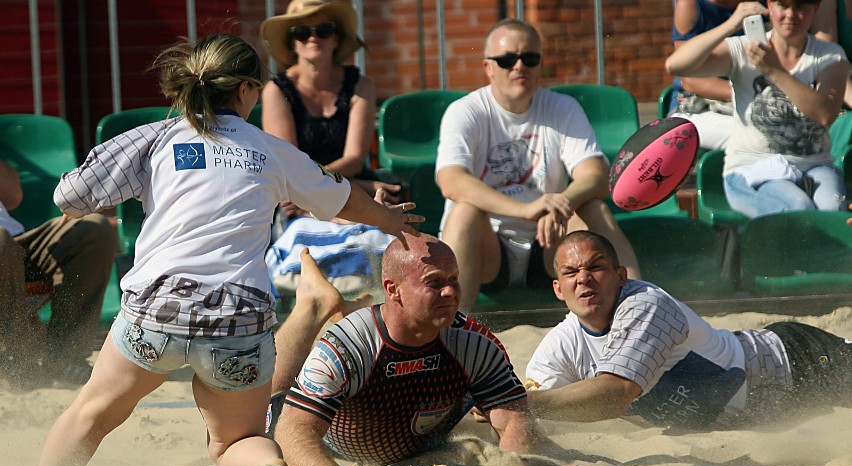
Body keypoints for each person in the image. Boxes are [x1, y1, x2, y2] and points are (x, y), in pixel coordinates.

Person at [33, 33, 422, 466]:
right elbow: (343, 201)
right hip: (237, 322)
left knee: (90, 415)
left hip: (157, 311)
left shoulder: (156, 139)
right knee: (235, 443)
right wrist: (388, 220)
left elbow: (70, 197)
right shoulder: (272, 151)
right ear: (244, 89)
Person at [268, 234, 539, 466]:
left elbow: (515, 419)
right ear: (393, 289)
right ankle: (313, 304)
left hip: (415, 441)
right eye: (433, 282)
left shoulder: (475, 342)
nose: (450, 291)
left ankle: (355, 306)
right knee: (268, 405)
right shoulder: (345, 347)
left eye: (453, 279)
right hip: (337, 447)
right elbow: (294, 433)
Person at [524, 230, 852, 429]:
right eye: (571, 272)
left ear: (621, 276)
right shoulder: (561, 344)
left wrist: (520, 403)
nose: (583, 278)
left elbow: (614, 396)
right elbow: (534, 411)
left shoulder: (646, 305)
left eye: (595, 267)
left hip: (795, 363)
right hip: (755, 418)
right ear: (557, 288)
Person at [435, 18, 641, 311]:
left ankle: (634, 305)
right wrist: (527, 209)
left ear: (540, 64)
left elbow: (595, 175)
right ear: (488, 68)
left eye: (529, 58)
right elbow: (451, 180)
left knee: (594, 209)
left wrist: (559, 203)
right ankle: (453, 328)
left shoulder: (562, 107)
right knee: (464, 212)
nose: (519, 66)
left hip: (549, 244)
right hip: (488, 251)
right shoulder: (466, 111)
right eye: (507, 60)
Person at [259, 0, 402, 294]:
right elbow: (288, 164)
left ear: (337, 38)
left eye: (324, 30)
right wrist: (351, 185)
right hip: (300, 199)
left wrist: (319, 186)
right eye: (302, 32)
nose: (314, 38)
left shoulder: (360, 84)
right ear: (293, 43)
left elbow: (353, 156)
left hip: (325, 189)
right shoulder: (276, 91)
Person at [666, 0, 850, 219]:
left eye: (800, 7)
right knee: (797, 207)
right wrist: (731, 24)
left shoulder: (829, 55)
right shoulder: (745, 48)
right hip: (752, 168)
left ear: (815, 9)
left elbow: (824, 114)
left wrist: (774, 71)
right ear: (770, 6)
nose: (790, 15)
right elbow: (676, 65)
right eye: (783, 5)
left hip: (814, 166)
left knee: (833, 210)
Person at [0, 159, 117, 390]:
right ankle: (17, 358)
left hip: (15, 245)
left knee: (94, 228)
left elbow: (13, 197)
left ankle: (64, 359)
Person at [668, 0, 746, 150]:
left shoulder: (762, 6)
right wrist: (750, 94)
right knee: (758, 137)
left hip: (741, 105)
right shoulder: (691, 5)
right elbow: (690, 80)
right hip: (694, 108)